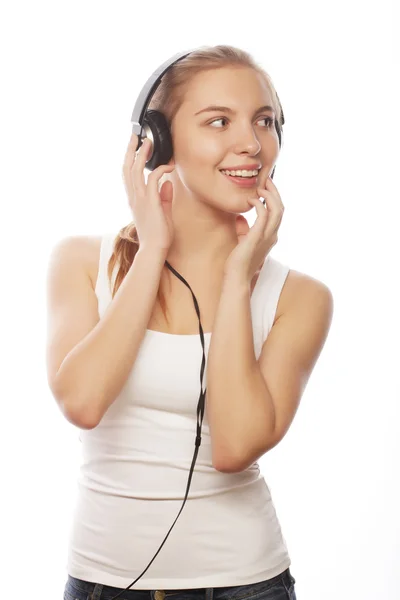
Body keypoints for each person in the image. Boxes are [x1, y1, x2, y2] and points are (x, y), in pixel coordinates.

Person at [47, 45, 333, 600]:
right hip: (100, 583)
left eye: (265, 121)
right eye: (218, 121)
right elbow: (81, 402)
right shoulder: (82, 263)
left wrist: (235, 280)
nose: (251, 143)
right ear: (155, 141)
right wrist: (152, 248)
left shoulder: (298, 297)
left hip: (244, 584)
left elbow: (235, 446)